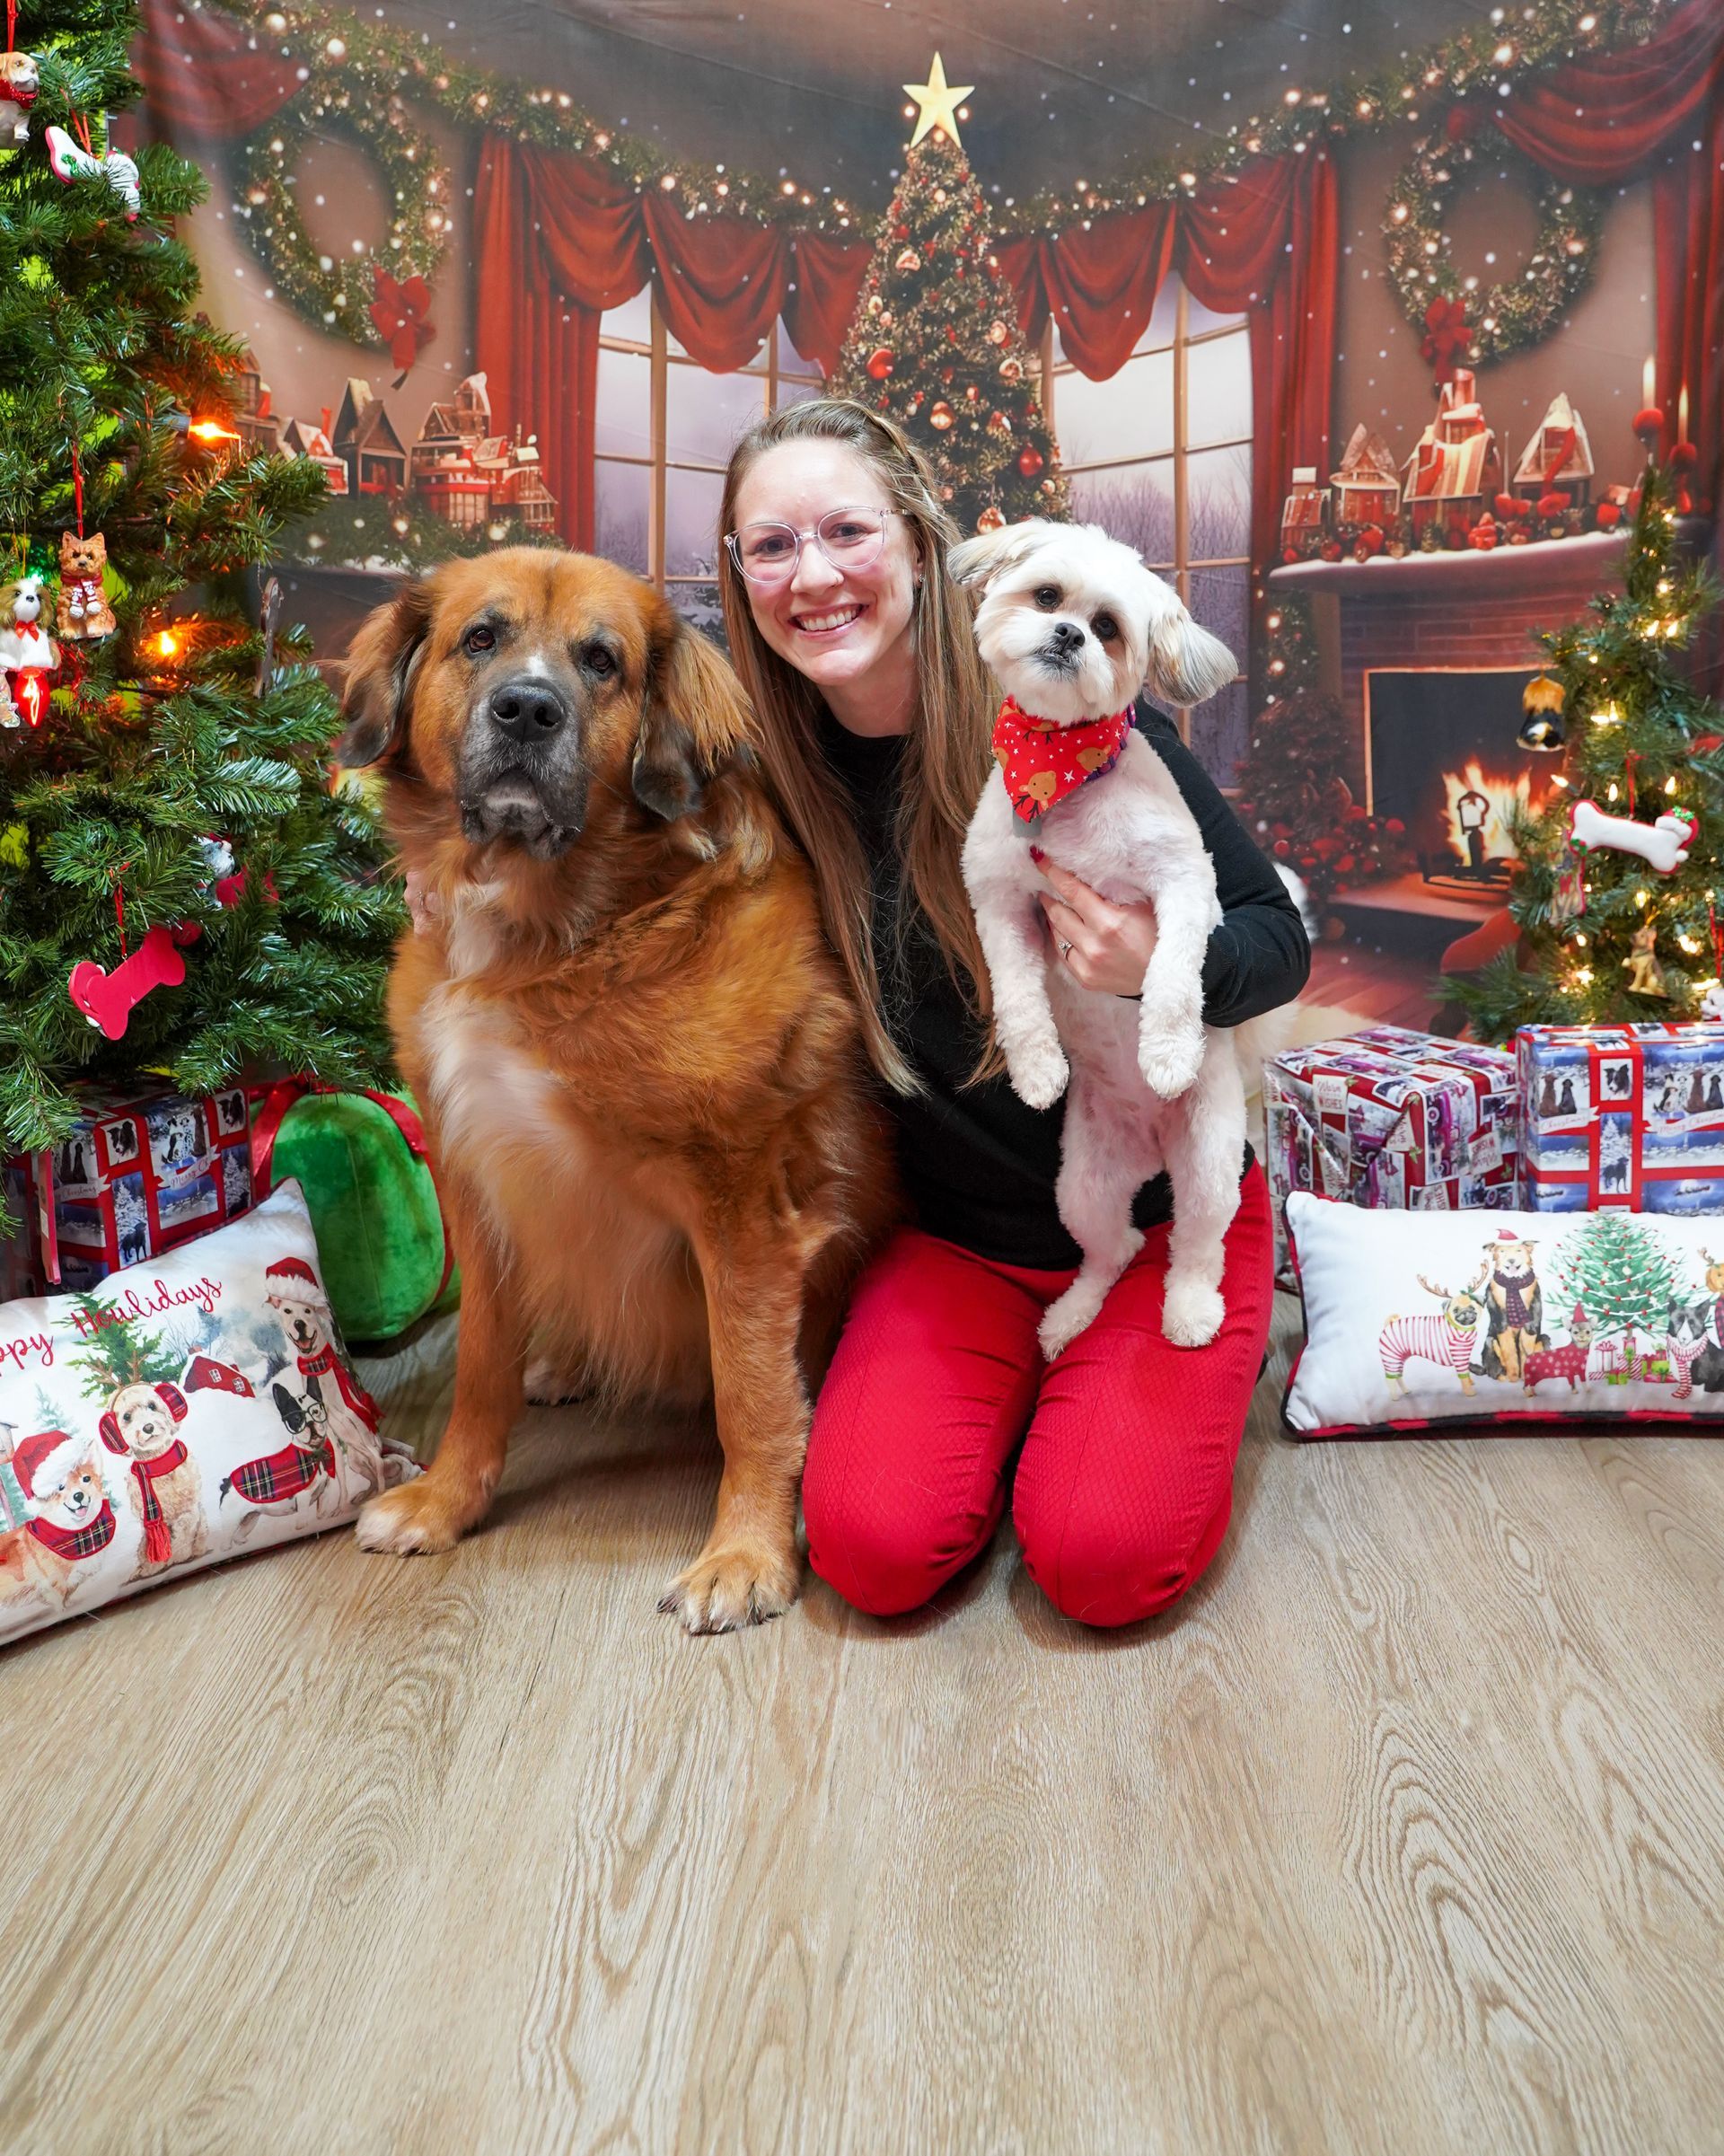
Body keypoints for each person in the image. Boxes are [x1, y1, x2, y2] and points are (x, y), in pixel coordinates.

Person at [718, 397, 1308, 1629]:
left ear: (924, 545)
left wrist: (1157, 962)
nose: (813, 575)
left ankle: (1129, 1381)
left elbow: (1276, 937)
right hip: (955, 1237)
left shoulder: (1065, 713)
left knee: (1103, 1556)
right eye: (771, 546)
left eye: (846, 531)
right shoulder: (764, 775)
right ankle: (1016, 1400)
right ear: (739, 576)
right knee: (875, 1551)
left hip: (1159, 1216)